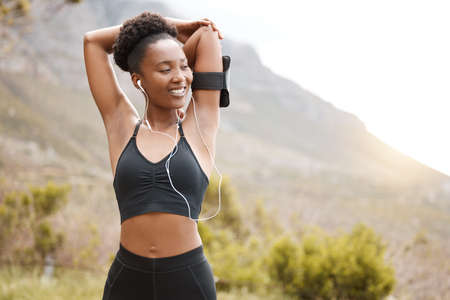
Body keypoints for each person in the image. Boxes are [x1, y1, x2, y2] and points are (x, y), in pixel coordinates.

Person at [83, 11, 225, 300]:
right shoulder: (121, 126)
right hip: (128, 279)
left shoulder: (200, 125)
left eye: (184, 67)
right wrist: (176, 27)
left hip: (187, 280)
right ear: (138, 80)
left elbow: (207, 36)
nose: (180, 78)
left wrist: (165, 34)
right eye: (164, 69)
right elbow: (93, 42)